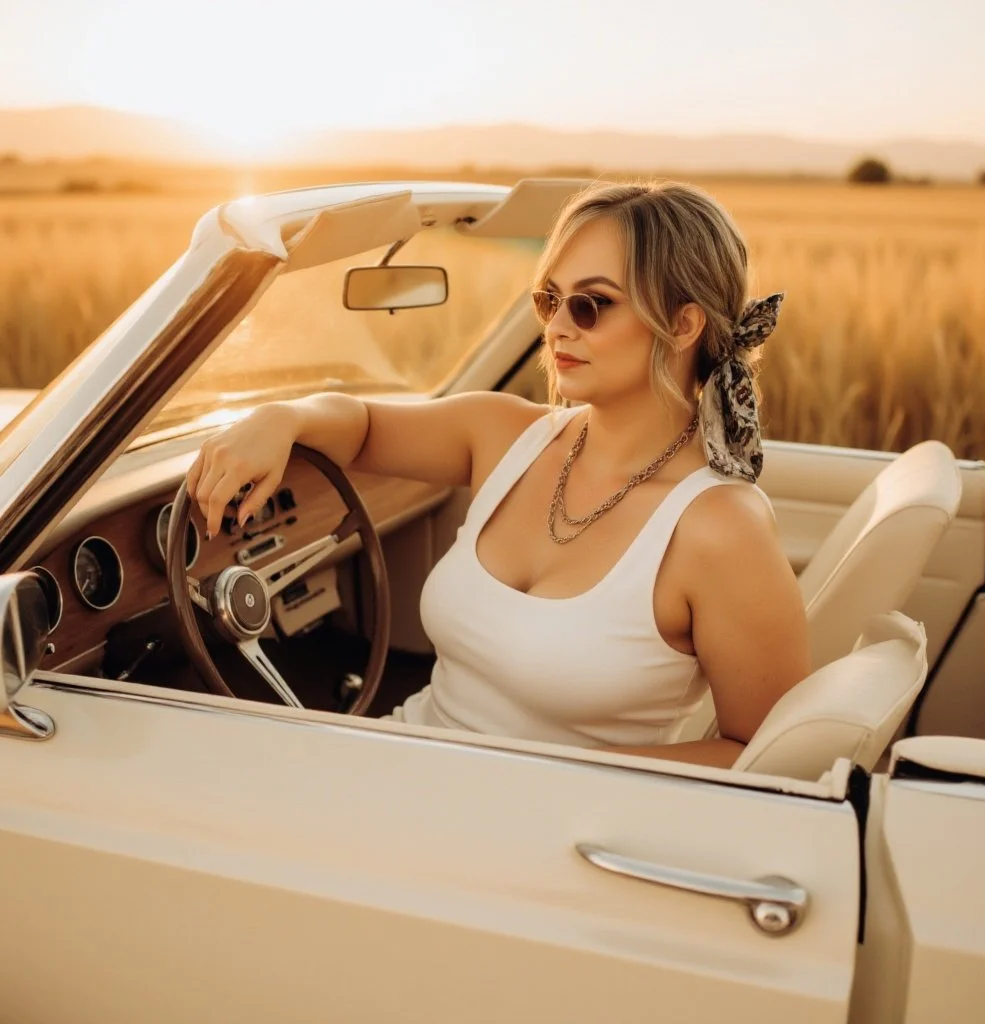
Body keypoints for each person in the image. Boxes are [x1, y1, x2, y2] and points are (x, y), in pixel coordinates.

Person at [186, 181, 810, 768]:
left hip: (534, 833)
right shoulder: (503, 433)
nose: (557, 325)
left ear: (682, 324)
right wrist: (280, 418)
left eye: (591, 305)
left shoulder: (720, 529)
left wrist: (554, 781)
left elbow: (763, 753)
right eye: (549, 299)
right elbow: (362, 426)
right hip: (393, 760)